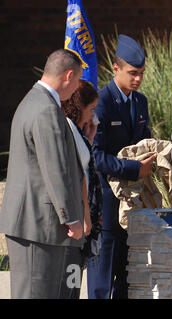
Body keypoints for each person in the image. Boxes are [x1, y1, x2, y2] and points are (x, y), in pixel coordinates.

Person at [0, 49, 86, 298]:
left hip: (33, 223)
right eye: (79, 80)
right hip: (38, 224)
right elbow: (55, 167)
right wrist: (70, 218)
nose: (78, 87)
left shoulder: (33, 101)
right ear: (69, 75)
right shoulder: (46, 109)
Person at [90, 34, 156, 299]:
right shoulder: (101, 102)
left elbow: (148, 144)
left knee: (127, 277)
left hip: (133, 203)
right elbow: (96, 157)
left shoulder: (140, 102)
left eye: (141, 73)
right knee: (102, 279)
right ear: (116, 69)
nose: (138, 79)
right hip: (106, 202)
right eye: (132, 73)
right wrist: (132, 169)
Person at [61, 80, 103, 297]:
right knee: (68, 281)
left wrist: (90, 137)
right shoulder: (67, 129)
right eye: (91, 109)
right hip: (77, 218)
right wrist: (86, 214)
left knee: (74, 282)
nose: (93, 116)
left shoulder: (78, 133)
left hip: (83, 220)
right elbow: (79, 177)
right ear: (79, 107)